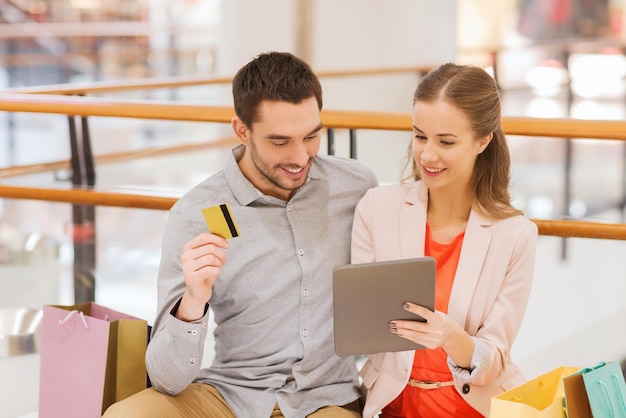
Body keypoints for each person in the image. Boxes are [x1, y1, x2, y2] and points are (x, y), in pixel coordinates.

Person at [103, 51, 378, 418]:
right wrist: (193, 301)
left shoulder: (356, 186)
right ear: (241, 130)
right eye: (280, 142)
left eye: (311, 136)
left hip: (325, 398)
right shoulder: (197, 213)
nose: (300, 157)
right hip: (233, 394)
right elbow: (167, 379)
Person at [351, 63, 538, 417]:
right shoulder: (377, 208)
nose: (428, 155)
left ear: (483, 140)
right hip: (392, 404)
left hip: (472, 407)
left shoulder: (515, 236)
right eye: (420, 136)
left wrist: (452, 338)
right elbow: (362, 323)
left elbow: (494, 360)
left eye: (446, 142)